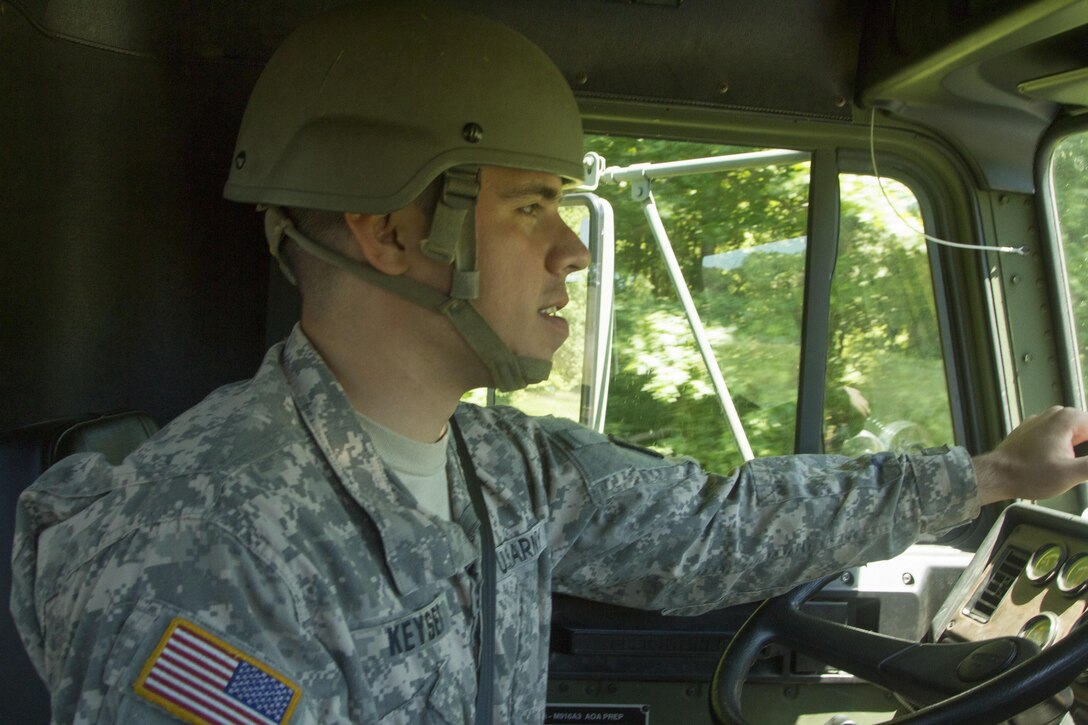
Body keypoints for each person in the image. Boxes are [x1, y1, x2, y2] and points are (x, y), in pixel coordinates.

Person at [11, 2, 1088, 723]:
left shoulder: (500, 465)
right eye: (530, 205)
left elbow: (715, 527)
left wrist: (991, 475)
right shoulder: (203, 546)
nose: (569, 246)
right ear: (394, 230)